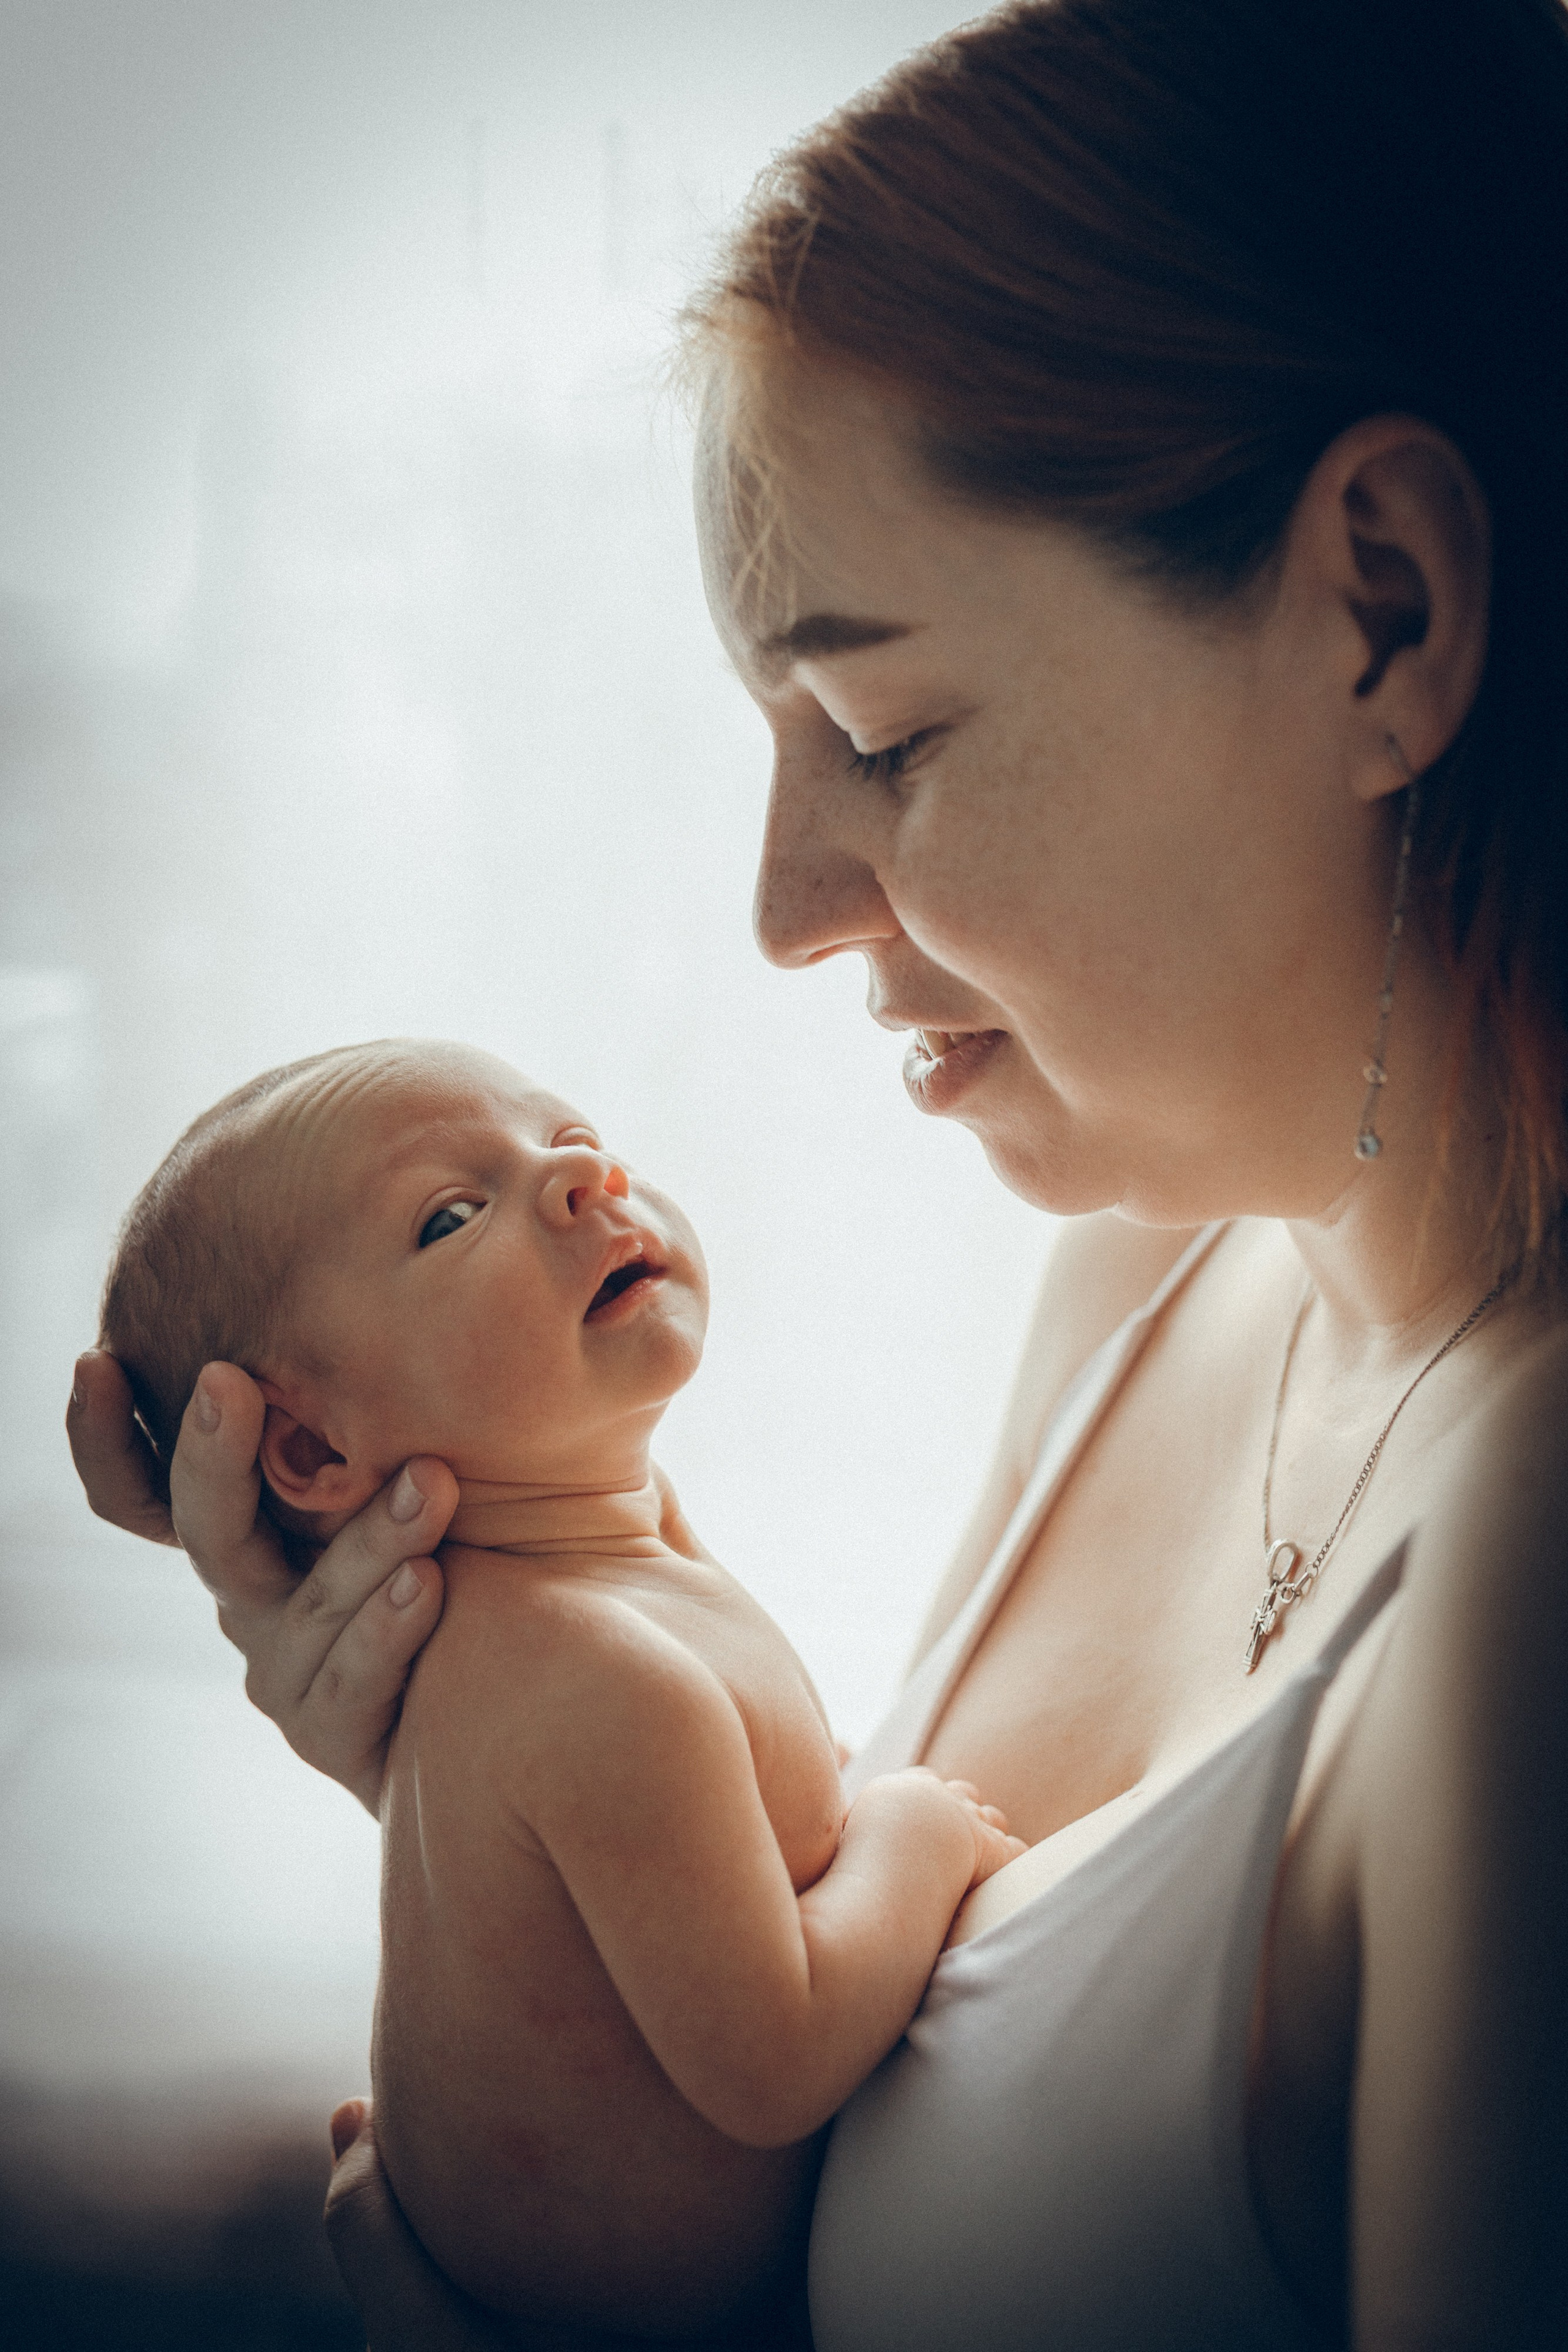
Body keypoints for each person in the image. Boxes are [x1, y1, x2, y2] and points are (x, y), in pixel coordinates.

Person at [70, 0, 1568, 2342]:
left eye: (882, 730)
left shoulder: (1531, 1557)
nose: (782, 912)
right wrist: (493, 1777)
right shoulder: (1152, 1281)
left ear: (1382, 611)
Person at [96, 1038, 1022, 2345]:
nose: (583, 1175)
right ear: (309, 1446)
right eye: (449, 1215)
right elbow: (776, 2061)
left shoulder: (590, 1588)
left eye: (568, 1134)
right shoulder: (589, 1677)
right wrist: (916, 1832)